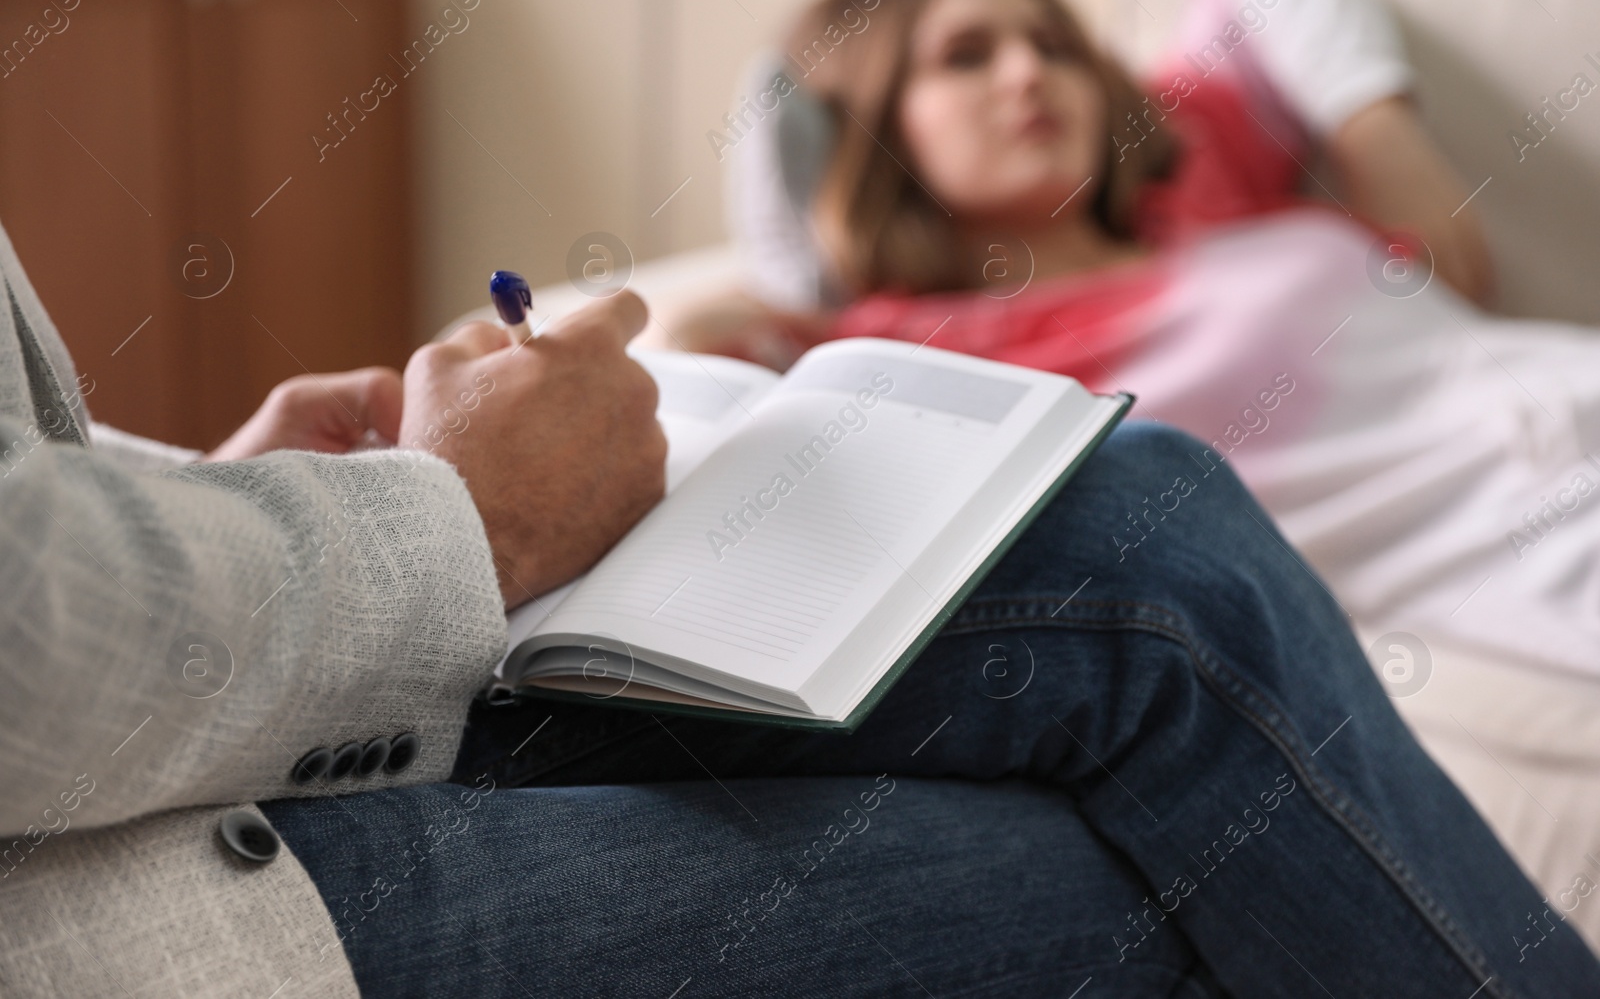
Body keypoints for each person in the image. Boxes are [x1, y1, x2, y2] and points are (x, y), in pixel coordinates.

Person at [1, 204, 1598, 997]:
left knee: (1141, 515)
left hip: (176, 713)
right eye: (962, 54)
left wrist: (209, 489)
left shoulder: (1252, 212)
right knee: (1141, 861)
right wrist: (463, 518)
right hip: (107, 890)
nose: (1023, 78)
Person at [662, 0, 1600, 683]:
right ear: (868, 125)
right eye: (966, 56)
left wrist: (1372, 122)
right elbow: (705, 370)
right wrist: (807, 239)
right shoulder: (916, 351)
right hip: (1513, 544)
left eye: (1055, 45)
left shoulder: (1193, 186)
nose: (1029, 73)